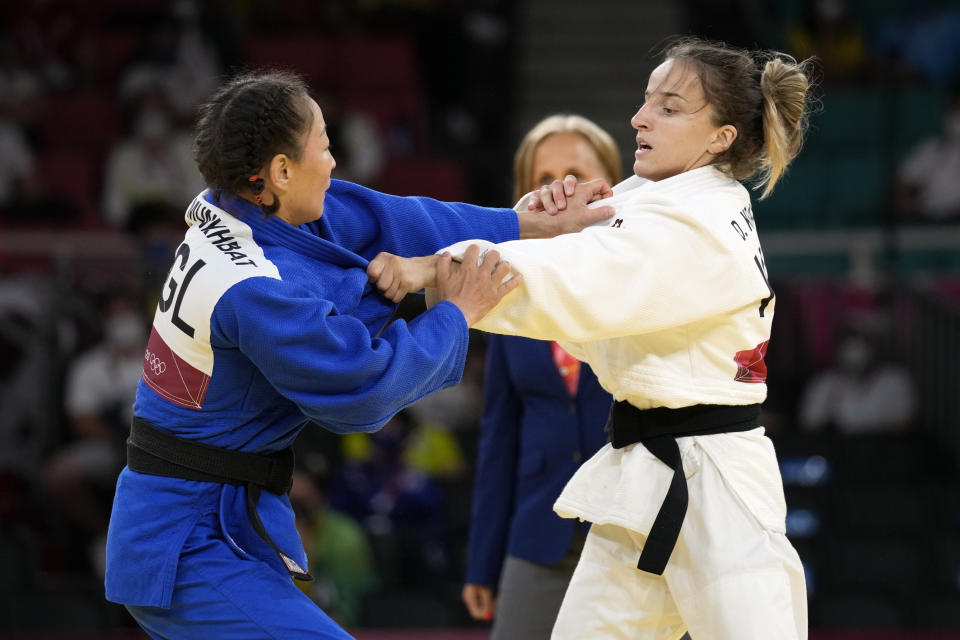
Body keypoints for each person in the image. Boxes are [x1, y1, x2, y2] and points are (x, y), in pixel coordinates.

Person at [103, 70, 613, 640]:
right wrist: (455, 312)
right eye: (324, 145)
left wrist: (531, 224)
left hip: (224, 519)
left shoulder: (245, 205)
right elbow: (363, 385)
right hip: (183, 543)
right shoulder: (251, 286)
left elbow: (403, 220)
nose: (334, 162)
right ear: (280, 171)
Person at [369, 37, 814, 639]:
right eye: (647, 99)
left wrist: (429, 267)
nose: (640, 117)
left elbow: (576, 278)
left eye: (670, 107)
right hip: (645, 479)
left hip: (718, 492)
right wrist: (542, 218)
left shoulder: (699, 223)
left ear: (720, 138)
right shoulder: (658, 199)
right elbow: (573, 254)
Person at [460, 114, 620, 639]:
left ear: (610, 182)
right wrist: (484, 561)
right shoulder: (506, 287)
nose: (557, 188)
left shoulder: (640, 273)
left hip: (630, 526)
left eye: (574, 171)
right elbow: (499, 433)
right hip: (537, 531)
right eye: (541, 176)